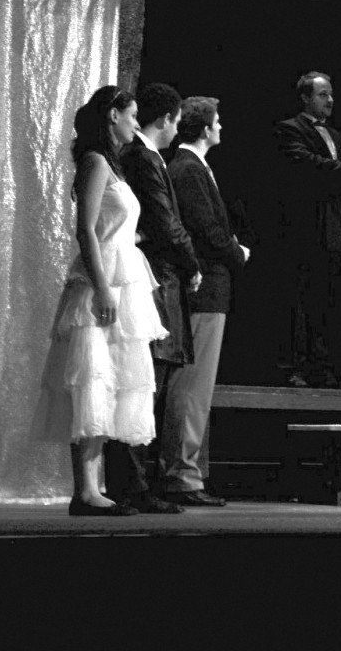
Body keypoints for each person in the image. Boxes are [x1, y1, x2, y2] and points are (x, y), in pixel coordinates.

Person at [31, 85, 168, 516]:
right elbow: (86, 229)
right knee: (92, 377)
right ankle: (86, 491)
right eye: (131, 115)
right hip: (101, 282)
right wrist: (104, 286)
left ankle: (92, 489)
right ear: (113, 115)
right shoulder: (96, 161)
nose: (135, 123)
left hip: (122, 277)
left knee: (110, 379)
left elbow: (112, 226)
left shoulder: (113, 165)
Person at [102, 82, 203, 513]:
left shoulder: (146, 157)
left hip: (156, 276)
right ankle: (133, 484)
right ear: (167, 119)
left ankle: (141, 483)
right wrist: (192, 263)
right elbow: (163, 220)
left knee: (149, 382)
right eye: (176, 121)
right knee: (143, 381)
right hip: (156, 278)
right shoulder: (142, 157)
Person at [163, 96, 249, 506]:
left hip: (209, 287)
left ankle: (186, 471)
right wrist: (237, 253)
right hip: (203, 287)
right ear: (203, 128)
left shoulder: (193, 167)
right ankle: (181, 475)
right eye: (217, 122)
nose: (221, 128)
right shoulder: (187, 168)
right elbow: (205, 229)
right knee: (192, 385)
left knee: (196, 386)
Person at [273, 71, 341, 388]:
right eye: (322, 94)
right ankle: (294, 368)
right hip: (302, 228)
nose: (330, 100)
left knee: (326, 299)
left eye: (331, 94)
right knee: (299, 299)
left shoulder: (338, 136)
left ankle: (322, 368)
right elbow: (309, 166)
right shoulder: (289, 129)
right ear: (305, 98)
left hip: (333, 229)